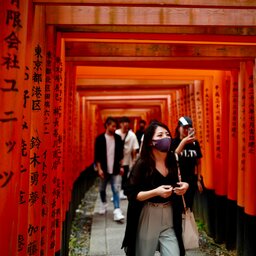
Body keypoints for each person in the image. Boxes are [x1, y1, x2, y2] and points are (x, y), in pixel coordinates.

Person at [122, 120, 189, 256]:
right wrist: (155, 192)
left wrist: (184, 186)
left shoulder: (172, 160)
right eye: (160, 135)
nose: (165, 137)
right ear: (149, 142)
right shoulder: (142, 164)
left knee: (174, 253)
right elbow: (132, 193)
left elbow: (180, 182)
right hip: (149, 214)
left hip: (170, 214)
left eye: (167, 134)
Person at [94, 116, 125, 222]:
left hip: (115, 168)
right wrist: (99, 169)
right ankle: (103, 203)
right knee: (102, 188)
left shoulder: (118, 138)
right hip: (104, 168)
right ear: (107, 125)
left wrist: (121, 166)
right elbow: (97, 156)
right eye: (113, 126)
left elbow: (121, 154)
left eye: (115, 126)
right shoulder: (100, 139)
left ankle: (117, 209)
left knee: (116, 189)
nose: (114, 128)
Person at [171, 116, 203, 210]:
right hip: (178, 179)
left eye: (189, 127)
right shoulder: (174, 142)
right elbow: (174, 156)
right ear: (178, 128)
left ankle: (187, 223)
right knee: (178, 206)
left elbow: (198, 161)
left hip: (191, 180)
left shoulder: (194, 143)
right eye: (184, 127)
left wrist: (198, 179)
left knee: (189, 205)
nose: (186, 130)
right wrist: (184, 142)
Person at [116, 116, 139, 199]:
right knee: (116, 177)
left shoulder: (132, 135)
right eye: (124, 125)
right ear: (120, 124)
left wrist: (133, 161)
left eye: (127, 126)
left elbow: (134, 149)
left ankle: (122, 191)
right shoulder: (116, 133)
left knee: (124, 177)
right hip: (116, 160)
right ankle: (117, 193)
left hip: (126, 160)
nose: (125, 127)